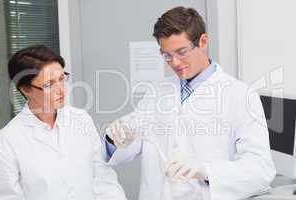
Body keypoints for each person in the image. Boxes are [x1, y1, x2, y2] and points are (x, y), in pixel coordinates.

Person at [103, 6, 276, 200]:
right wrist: (114, 139)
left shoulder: (240, 95)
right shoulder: (157, 93)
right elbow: (131, 143)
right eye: (166, 55)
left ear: (203, 42)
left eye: (181, 52)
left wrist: (206, 171)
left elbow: (260, 169)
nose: (174, 62)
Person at [0, 45, 127, 200]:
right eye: (49, 84)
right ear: (25, 89)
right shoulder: (8, 141)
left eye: (61, 79)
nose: (61, 90)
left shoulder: (81, 119)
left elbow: (102, 176)